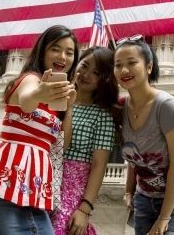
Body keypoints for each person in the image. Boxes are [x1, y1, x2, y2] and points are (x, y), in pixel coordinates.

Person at [0, 25, 79, 235]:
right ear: (42, 50)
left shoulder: (55, 98)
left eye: (70, 52)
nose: (63, 56)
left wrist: (69, 105)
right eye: (56, 49)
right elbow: (28, 101)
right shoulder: (30, 79)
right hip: (2, 187)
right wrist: (40, 93)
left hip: (34, 193)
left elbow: (62, 144)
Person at [113, 35, 174, 235]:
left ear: (148, 66)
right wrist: (129, 190)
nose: (124, 70)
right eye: (118, 65)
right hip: (146, 198)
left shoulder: (166, 105)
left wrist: (165, 217)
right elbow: (135, 156)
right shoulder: (120, 108)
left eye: (131, 63)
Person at [52, 46, 120, 235]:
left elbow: (99, 164)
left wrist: (84, 209)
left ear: (104, 79)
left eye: (96, 72)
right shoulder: (54, 101)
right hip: (44, 181)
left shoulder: (103, 115)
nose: (86, 74)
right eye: (84, 66)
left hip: (73, 189)